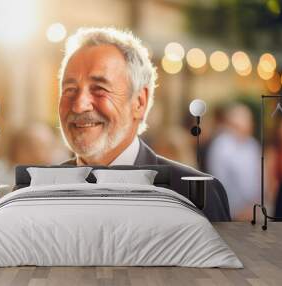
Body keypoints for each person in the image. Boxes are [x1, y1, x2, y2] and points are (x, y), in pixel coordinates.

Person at [57, 27, 230, 221]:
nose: (79, 105)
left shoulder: (195, 196)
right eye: (70, 89)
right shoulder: (33, 192)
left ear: (139, 102)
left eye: (99, 88)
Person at [206, 103, 260, 220]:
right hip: (232, 212)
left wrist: (254, 206)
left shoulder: (252, 145)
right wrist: (236, 210)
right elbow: (219, 181)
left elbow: (258, 177)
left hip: (252, 210)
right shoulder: (221, 146)